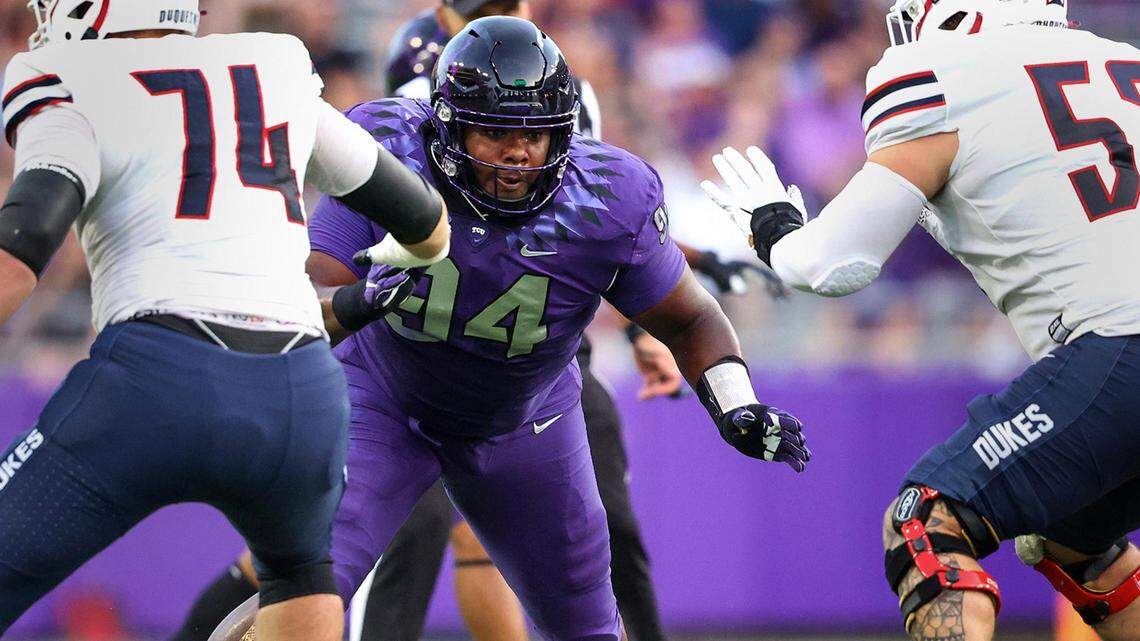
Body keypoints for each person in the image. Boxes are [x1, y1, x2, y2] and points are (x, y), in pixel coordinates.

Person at [172, 3, 780, 641]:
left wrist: (736, 404)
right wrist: (362, 301)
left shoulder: (607, 195)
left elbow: (687, 318)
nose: (518, 154)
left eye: (534, 134)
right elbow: (310, 296)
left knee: (589, 624)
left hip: (527, 424)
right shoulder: (388, 150)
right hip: (384, 403)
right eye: (496, 133)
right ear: (449, 129)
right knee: (302, 589)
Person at [0, 0, 450, 638]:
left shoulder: (69, 73)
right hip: (301, 394)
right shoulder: (269, 66)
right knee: (300, 574)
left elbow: (24, 244)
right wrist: (383, 271)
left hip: (154, 379)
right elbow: (426, 222)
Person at [702, 1, 1140, 640]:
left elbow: (831, 266)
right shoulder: (1124, 60)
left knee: (925, 521)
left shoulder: (942, 72)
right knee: (1074, 537)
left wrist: (771, 227)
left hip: (1122, 348)